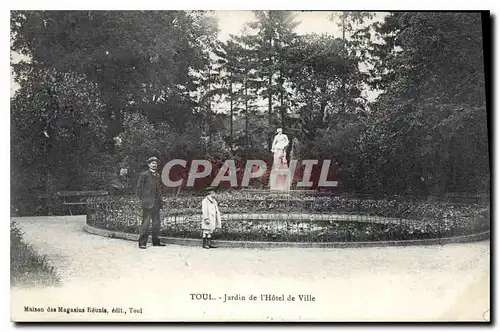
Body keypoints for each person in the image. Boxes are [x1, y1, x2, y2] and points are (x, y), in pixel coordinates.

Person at [136, 156, 166, 249]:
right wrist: (144, 199)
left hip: (156, 203)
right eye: (152, 163)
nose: (155, 165)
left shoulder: (157, 175)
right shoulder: (144, 175)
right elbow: (138, 189)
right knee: (145, 223)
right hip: (148, 203)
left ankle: (156, 241)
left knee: (156, 224)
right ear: (149, 164)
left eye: (156, 163)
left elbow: (159, 189)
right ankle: (142, 243)